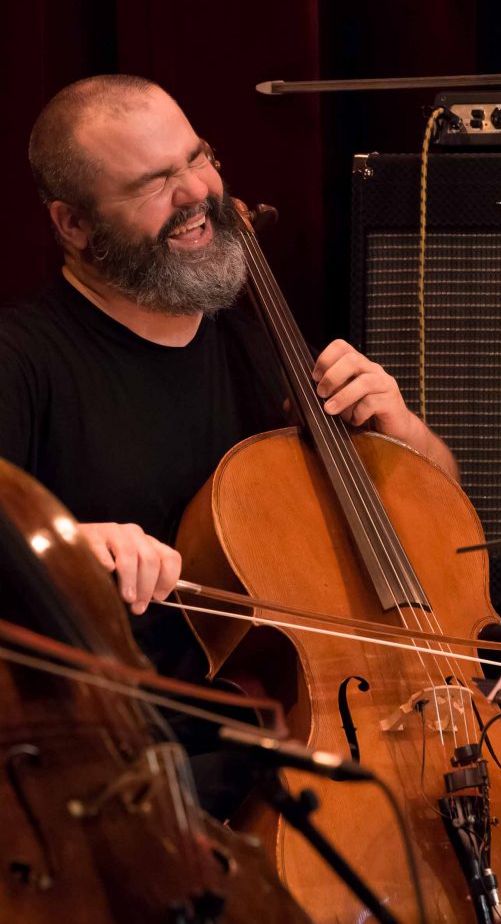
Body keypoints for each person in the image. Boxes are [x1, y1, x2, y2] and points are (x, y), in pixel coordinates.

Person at [0, 74, 458, 810]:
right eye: (155, 183)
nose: (196, 192)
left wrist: (403, 436)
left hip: (291, 737)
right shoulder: (23, 361)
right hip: (128, 778)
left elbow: (438, 529)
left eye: (197, 158)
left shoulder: (258, 338)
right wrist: (65, 547)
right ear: (74, 224)